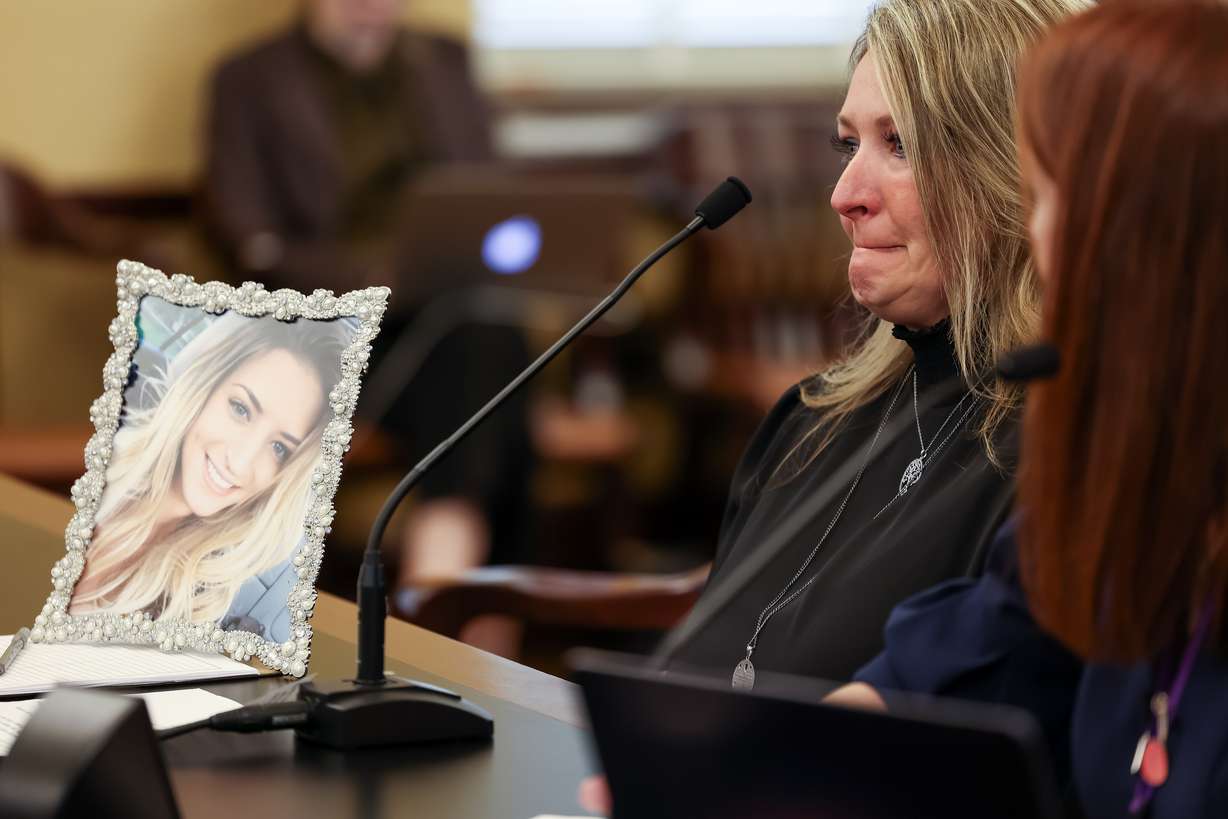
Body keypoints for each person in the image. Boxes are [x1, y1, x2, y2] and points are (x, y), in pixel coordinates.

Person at [831, 2, 1228, 816]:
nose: (1035, 241)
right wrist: (741, 766)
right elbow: (961, 649)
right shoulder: (1132, 467)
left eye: (1048, 196)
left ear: (1167, 230)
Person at [664, 0, 1087, 687]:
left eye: (901, 144)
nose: (844, 193)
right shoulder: (809, 423)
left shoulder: (1065, 453)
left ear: (1014, 171)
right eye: (848, 143)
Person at [203, 1, 531, 618]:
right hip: (333, 328)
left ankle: (445, 589)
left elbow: (491, 194)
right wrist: (371, 276)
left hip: (448, 312)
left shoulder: (445, 62)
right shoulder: (249, 78)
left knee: (481, 338)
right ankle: (465, 611)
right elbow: (247, 236)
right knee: (492, 361)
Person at [69, 309, 353, 627]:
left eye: (279, 449)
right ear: (204, 383)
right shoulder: (91, 468)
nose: (241, 462)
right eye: (240, 409)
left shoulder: (210, 600)